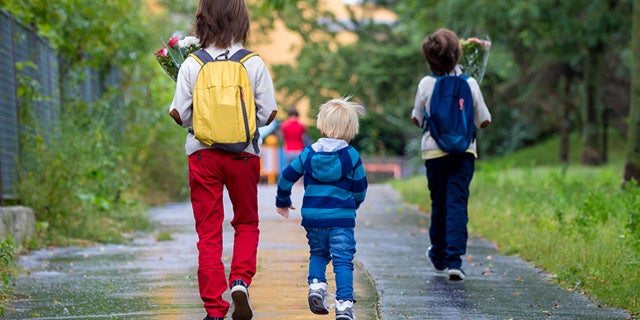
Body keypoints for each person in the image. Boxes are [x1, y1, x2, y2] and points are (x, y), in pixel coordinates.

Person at [168, 1, 278, 319]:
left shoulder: (192, 64)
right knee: (246, 223)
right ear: (241, 20)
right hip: (244, 155)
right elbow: (269, 111)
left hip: (203, 156)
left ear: (202, 20)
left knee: (209, 231)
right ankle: (241, 279)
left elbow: (179, 113)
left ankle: (215, 309)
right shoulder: (253, 63)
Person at [275, 97, 368, 320]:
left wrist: (282, 200)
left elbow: (287, 177)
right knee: (343, 260)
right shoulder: (352, 156)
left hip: (314, 219)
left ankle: (316, 287)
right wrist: (352, 205)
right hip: (341, 221)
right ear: (350, 127)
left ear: (322, 124)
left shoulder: (309, 153)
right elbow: (360, 188)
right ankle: (344, 305)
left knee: (318, 253)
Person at [411, 28, 491, 281]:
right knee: (457, 202)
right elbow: (484, 120)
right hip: (464, 153)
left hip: (434, 152)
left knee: (439, 203)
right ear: (457, 55)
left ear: (429, 58)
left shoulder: (426, 84)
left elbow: (417, 117)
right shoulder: (469, 83)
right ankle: (455, 260)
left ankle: (438, 254)